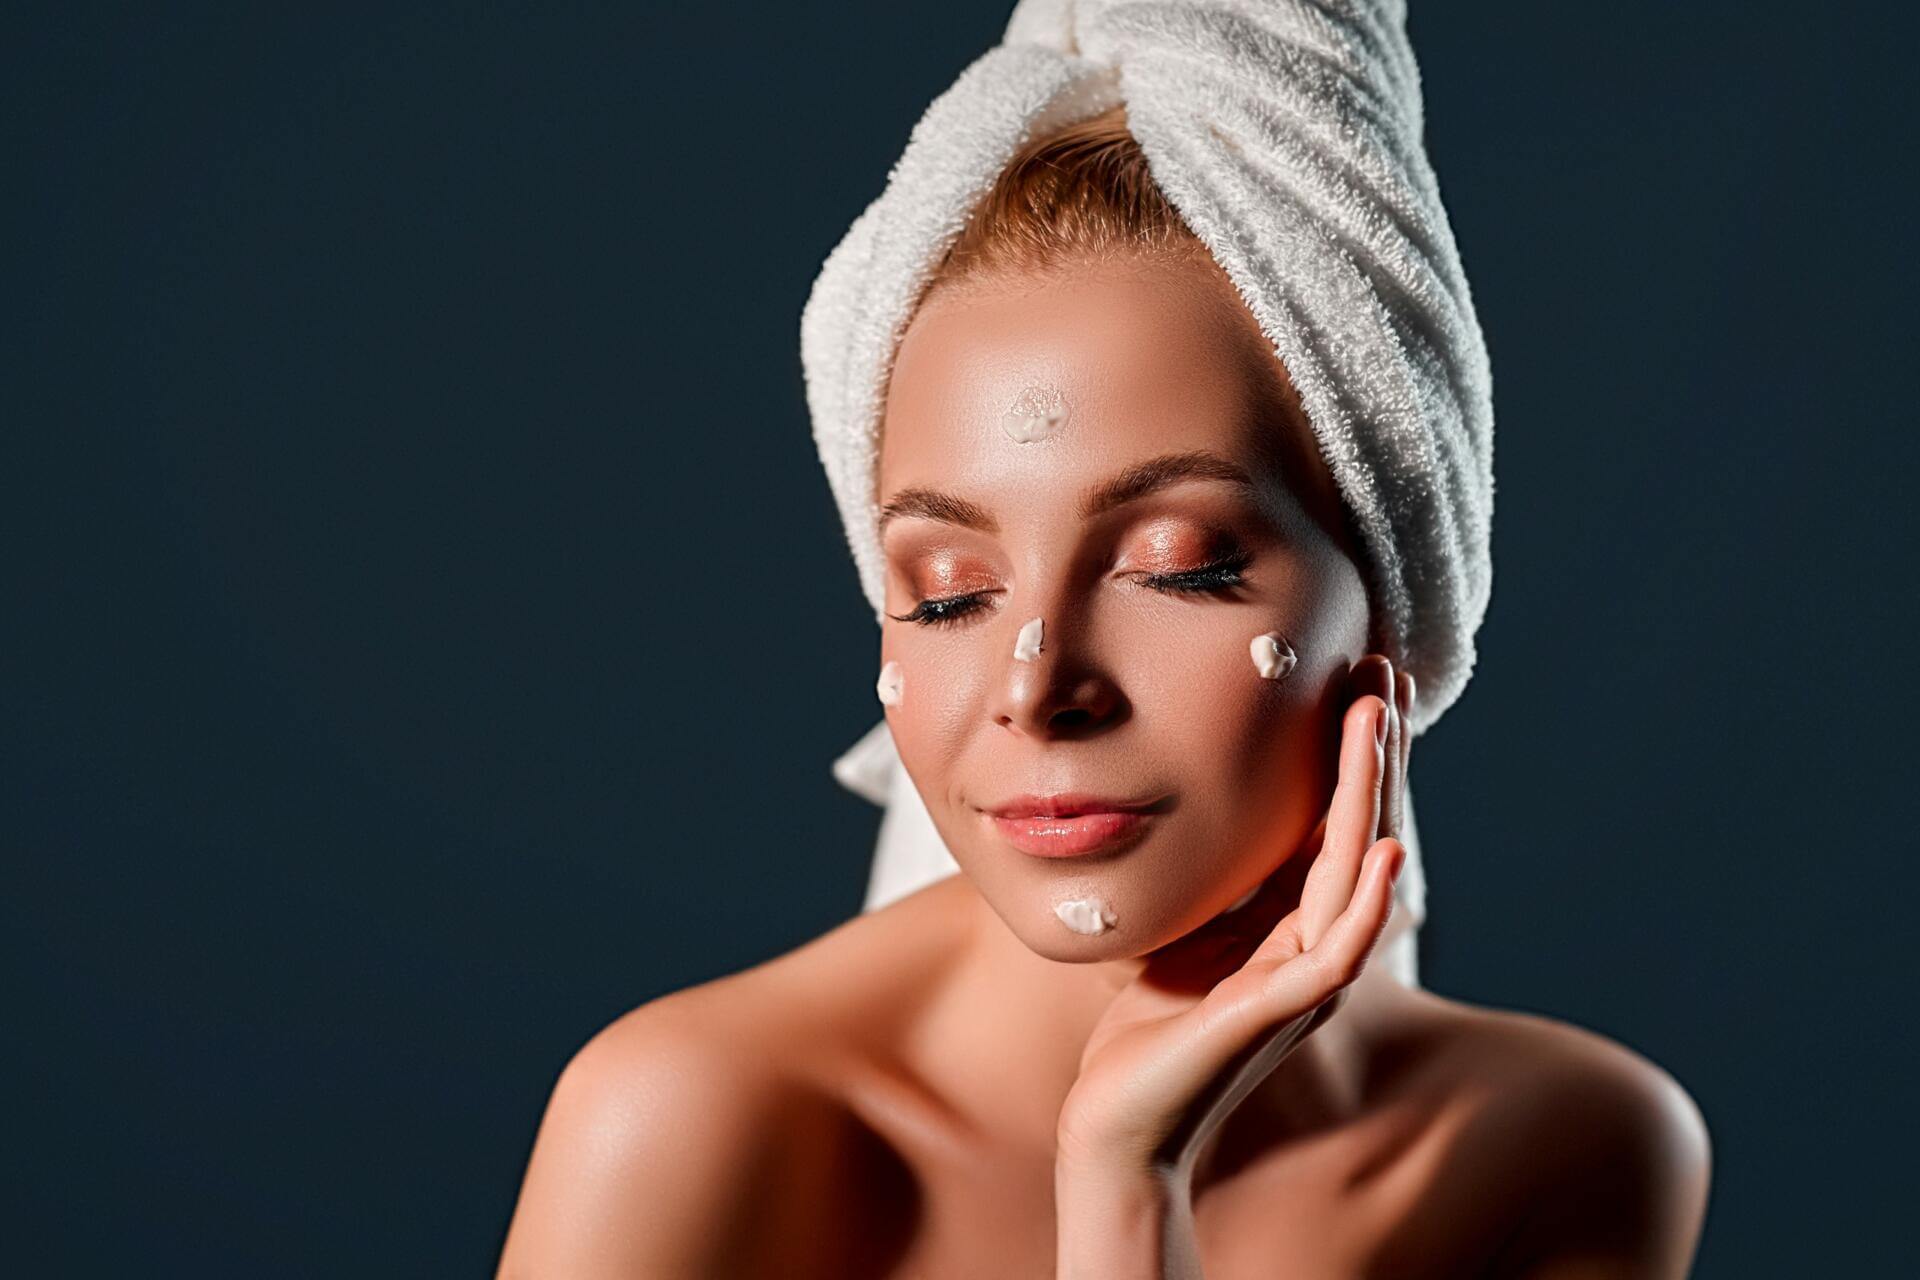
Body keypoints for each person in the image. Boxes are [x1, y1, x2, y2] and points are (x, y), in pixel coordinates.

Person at [497, 11, 1711, 1278]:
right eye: (948, 589)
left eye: (1176, 566)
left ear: (1396, 603)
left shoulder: (1564, 1151)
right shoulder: (689, 1120)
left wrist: (1127, 1189)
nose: (1036, 686)